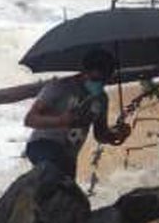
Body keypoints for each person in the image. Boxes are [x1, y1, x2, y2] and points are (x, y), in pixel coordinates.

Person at [22, 46, 130, 178]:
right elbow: (30, 119)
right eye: (95, 79)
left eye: (104, 81)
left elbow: (100, 134)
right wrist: (60, 121)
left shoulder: (101, 99)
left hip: (69, 154)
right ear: (84, 72)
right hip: (43, 145)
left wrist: (116, 135)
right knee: (52, 176)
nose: (100, 84)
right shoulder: (59, 87)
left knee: (67, 187)